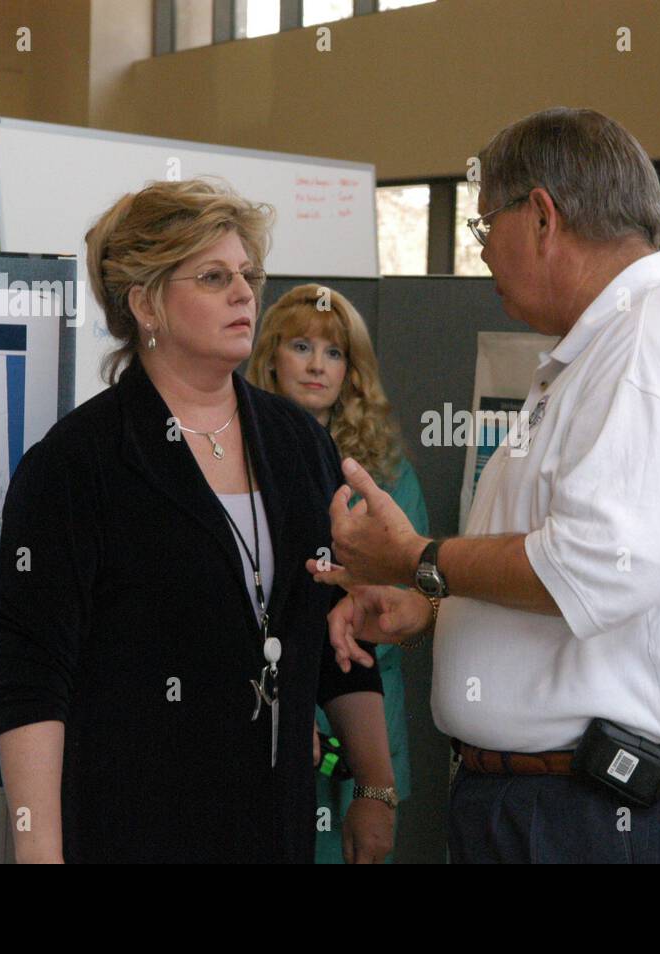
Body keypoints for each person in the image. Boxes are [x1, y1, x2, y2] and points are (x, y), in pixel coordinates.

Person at [308, 107, 660, 863]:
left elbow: (599, 568)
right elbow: (567, 566)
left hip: (610, 816)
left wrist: (417, 558)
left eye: (484, 226)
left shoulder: (654, 345)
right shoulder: (598, 351)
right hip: (554, 806)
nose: (484, 253)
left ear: (542, 217)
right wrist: (430, 606)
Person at [0, 178, 393, 863]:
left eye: (248, 274)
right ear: (146, 302)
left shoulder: (298, 442)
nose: (244, 293)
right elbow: (33, 682)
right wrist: (39, 855)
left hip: (276, 829)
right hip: (132, 829)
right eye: (213, 277)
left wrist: (376, 787)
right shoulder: (77, 463)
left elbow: (338, 627)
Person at [247, 283, 428, 863]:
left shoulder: (387, 474)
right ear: (271, 357)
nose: (318, 366)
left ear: (353, 371)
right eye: (301, 346)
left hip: (367, 699)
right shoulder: (235, 459)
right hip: (270, 707)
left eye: (334, 353)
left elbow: (416, 595)